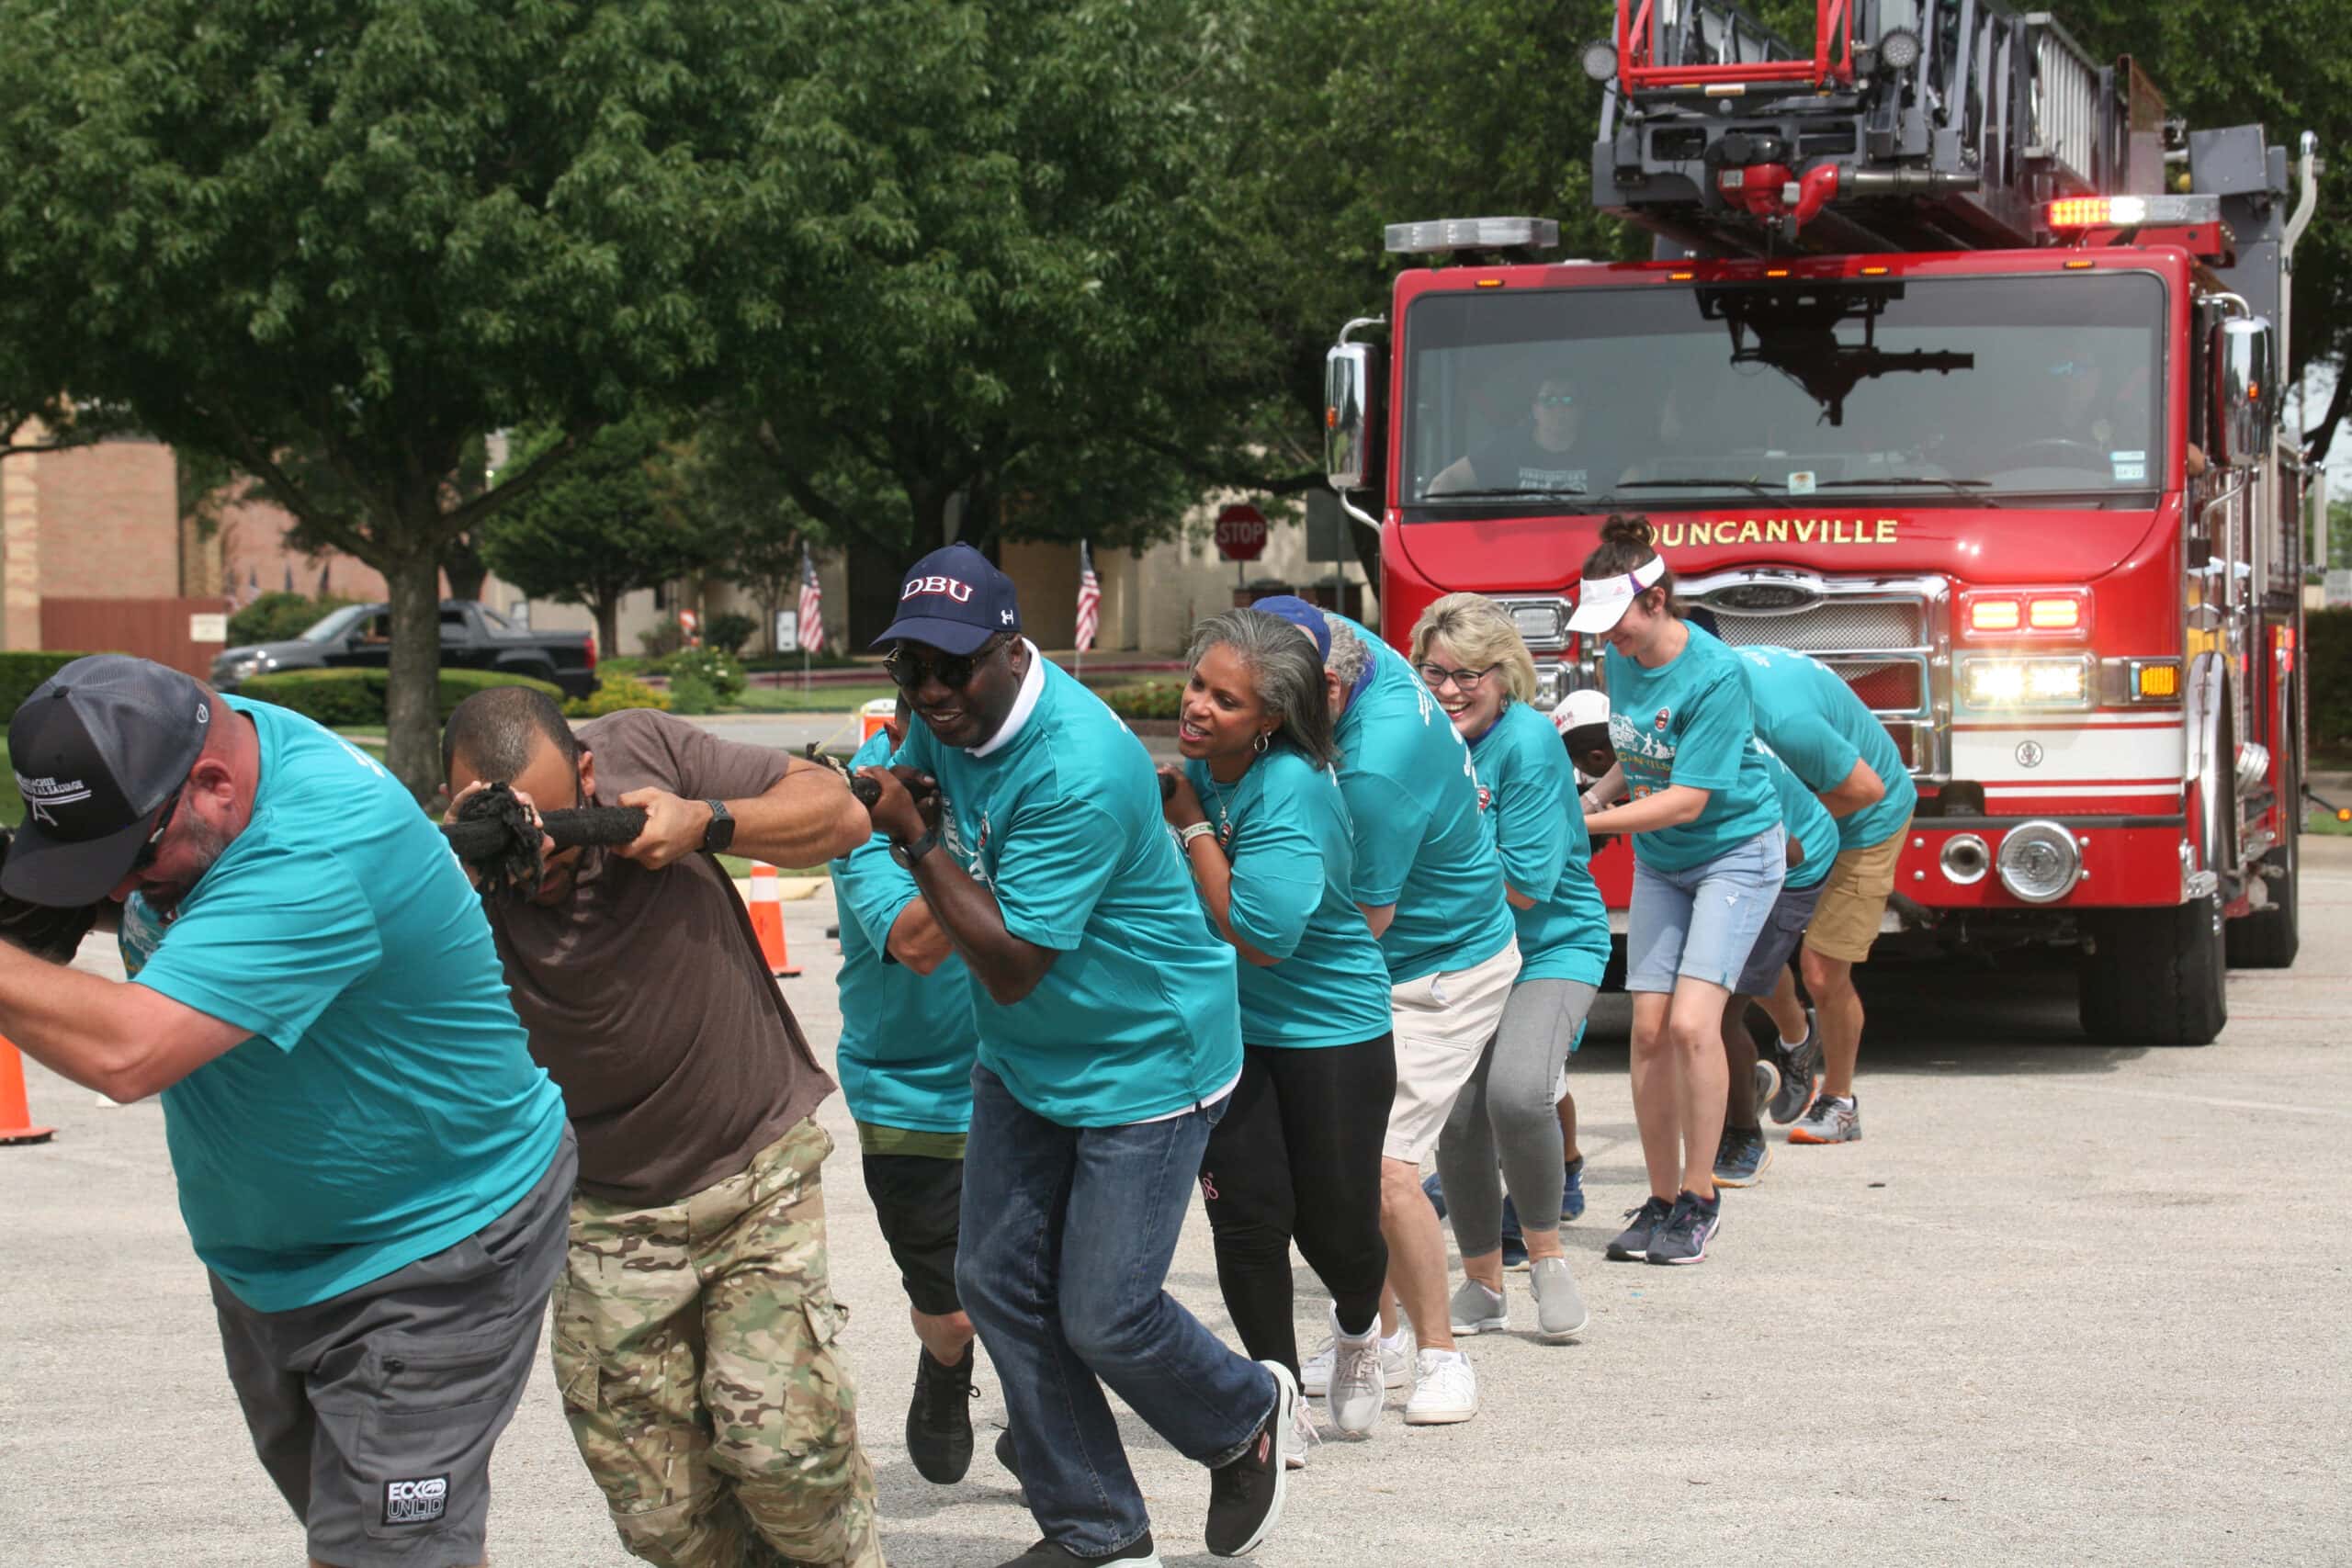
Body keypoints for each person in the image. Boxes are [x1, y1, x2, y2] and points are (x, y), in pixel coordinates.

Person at [0, 655, 572, 1568]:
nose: (114, 893)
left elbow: (127, 1050)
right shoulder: (204, 741)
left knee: (383, 1554)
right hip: (272, 1264)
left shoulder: (317, 850)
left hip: (431, 1252)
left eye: (132, 858)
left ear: (215, 784)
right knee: (364, 1536)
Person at [857, 545, 1293, 1568]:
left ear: (1014, 651)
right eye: (909, 666)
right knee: (998, 1281)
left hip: (1146, 1060)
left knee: (1106, 1311)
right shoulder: (941, 715)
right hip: (1024, 1058)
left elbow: (1010, 963)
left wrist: (915, 839)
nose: (928, 690)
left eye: (951, 667)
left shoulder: (1079, 765)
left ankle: (1244, 1417)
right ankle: (1095, 1524)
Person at [439, 687, 885, 1568]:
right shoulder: (440, 873)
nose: (539, 852)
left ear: (589, 772)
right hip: (600, 1209)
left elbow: (840, 813)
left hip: (752, 1170)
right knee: (660, 1515)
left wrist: (706, 824)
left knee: (787, 1461)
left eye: (554, 813)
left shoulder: (643, 749)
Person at [1250, 596, 1520, 1427]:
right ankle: (1384, 1333)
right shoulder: (1325, 635)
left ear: (1328, 689)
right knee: (1341, 1167)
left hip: (1440, 965)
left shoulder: (1375, 764)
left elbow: (1359, 921)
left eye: (1276, 708)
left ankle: (1444, 1356)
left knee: (1382, 1165)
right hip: (1389, 960)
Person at [1158, 608, 1397, 1451]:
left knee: (1335, 1227)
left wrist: (1189, 824)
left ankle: (1363, 1327)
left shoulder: (1288, 787)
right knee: (1248, 1218)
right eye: (1198, 685)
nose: (1198, 707)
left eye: (1226, 700)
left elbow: (1259, 935)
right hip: (1232, 1033)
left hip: (1330, 1030)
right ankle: (1277, 1399)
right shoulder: (1204, 770)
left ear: (1270, 718)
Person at [1570, 517, 1785, 1267]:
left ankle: (1701, 1196)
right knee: (1648, 1029)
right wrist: (1596, 795)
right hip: (1665, 860)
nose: (1608, 641)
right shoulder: (1622, 659)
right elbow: (1642, 752)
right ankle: (1660, 1201)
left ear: (1656, 600)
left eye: (1616, 623)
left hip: (1735, 854)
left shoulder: (1718, 674)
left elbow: (1690, 797)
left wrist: (1591, 817)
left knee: (1696, 1025)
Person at [1409, 594, 1606, 1345]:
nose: (1452, 689)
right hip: (1463, 947)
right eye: (1436, 672)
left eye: (1471, 675)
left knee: (1518, 1093)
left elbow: (1523, 882)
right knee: (1456, 1112)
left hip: (1549, 944)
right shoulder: (1422, 737)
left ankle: (1548, 1256)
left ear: (1506, 674)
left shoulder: (1527, 743)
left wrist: (1415, 862)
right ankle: (1483, 1281)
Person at [830, 695, 993, 1484]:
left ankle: (1046, 1421)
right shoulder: (858, 807)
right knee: (957, 1309)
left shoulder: (1013, 784)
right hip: (910, 1094)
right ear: (902, 732)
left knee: (1055, 1289)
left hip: (1023, 1077)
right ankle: (946, 1363)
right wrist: (958, 840)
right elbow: (917, 942)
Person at [1732, 644, 1918, 1145]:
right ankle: (1798, 1040)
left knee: (1821, 969)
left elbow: (1866, 789)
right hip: (1790, 815)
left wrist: (1789, 827)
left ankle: (1840, 1104)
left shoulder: (1785, 719)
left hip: (1864, 820)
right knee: (1748, 953)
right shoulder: (1707, 683)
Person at [1713, 741, 1838, 1187]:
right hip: (1735, 857)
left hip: (1792, 862)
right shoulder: (1654, 732)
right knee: (1745, 980)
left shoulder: (1713, 747)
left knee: (1720, 1009)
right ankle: (1783, 1050)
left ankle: (1745, 1137)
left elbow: (1790, 851)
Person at [1428, 375, 1590, 497]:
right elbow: (1442, 485)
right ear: (1535, 409)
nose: (1559, 408)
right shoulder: (1506, 451)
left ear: (1581, 410)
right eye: (1549, 399)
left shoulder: (1600, 454)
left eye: (1568, 400)